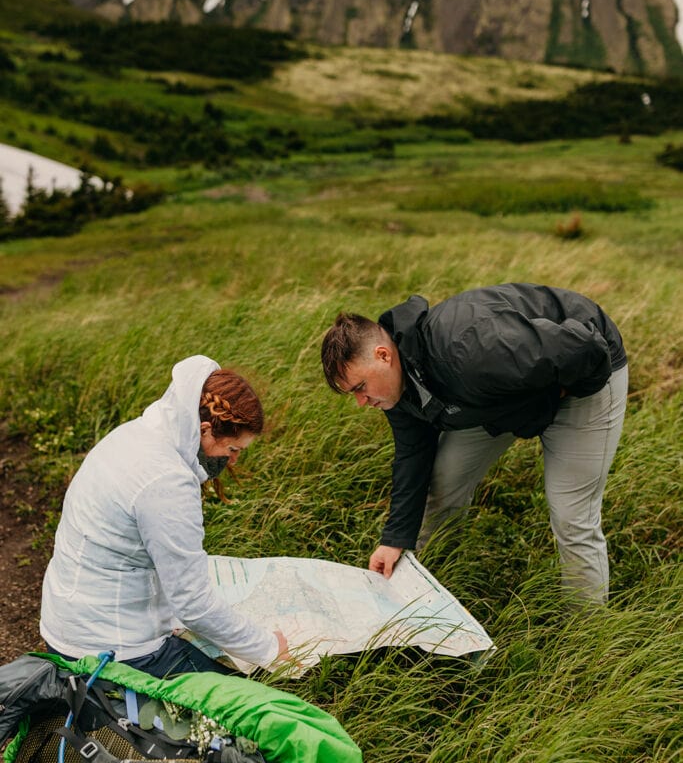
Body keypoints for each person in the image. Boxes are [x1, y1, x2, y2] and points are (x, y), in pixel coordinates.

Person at [321, 283, 628, 606]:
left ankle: (586, 633)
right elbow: (413, 453)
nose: (360, 401)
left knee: (571, 515)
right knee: (443, 484)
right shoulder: (394, 390)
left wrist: (553, 399)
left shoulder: (470, 349)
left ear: (383, 356)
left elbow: (588, 349)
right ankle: (429, 596)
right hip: (494, 396)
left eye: (360, 387)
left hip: (585, 375)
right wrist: (394, 539)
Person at [41, 354, 291, 677]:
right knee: (245, 691)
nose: (233, 463)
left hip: (67, 627)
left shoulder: (135, 435)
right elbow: (194, 604)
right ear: (205, 430)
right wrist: (270, 648)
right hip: (107, 652)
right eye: (232, 451)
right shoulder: (167, 481)